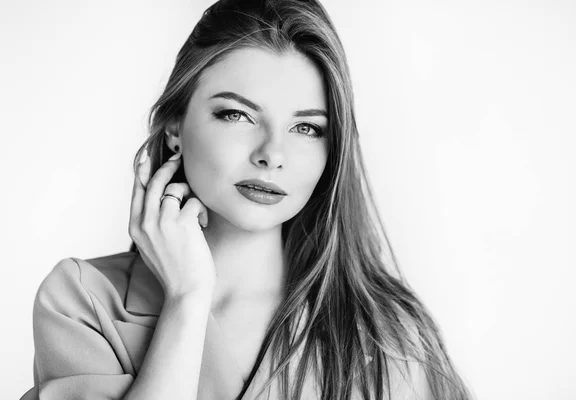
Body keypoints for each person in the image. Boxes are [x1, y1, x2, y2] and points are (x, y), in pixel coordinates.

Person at [21, 0, 473, 399]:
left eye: (307, 128)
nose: (272, 155)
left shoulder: (387, 337)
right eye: (237, 114)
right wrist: (187, 299)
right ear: (175, 127)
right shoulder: (83, 301)